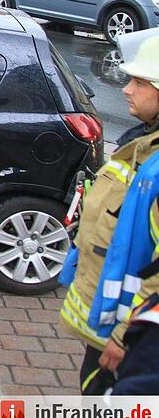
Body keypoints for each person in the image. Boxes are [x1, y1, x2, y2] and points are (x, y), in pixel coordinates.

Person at [59, 27, 159, 395]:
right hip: (113, 328)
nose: (127, 90)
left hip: (131, 340)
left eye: (140, 82)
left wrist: (127, 335)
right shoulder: (143, 145)